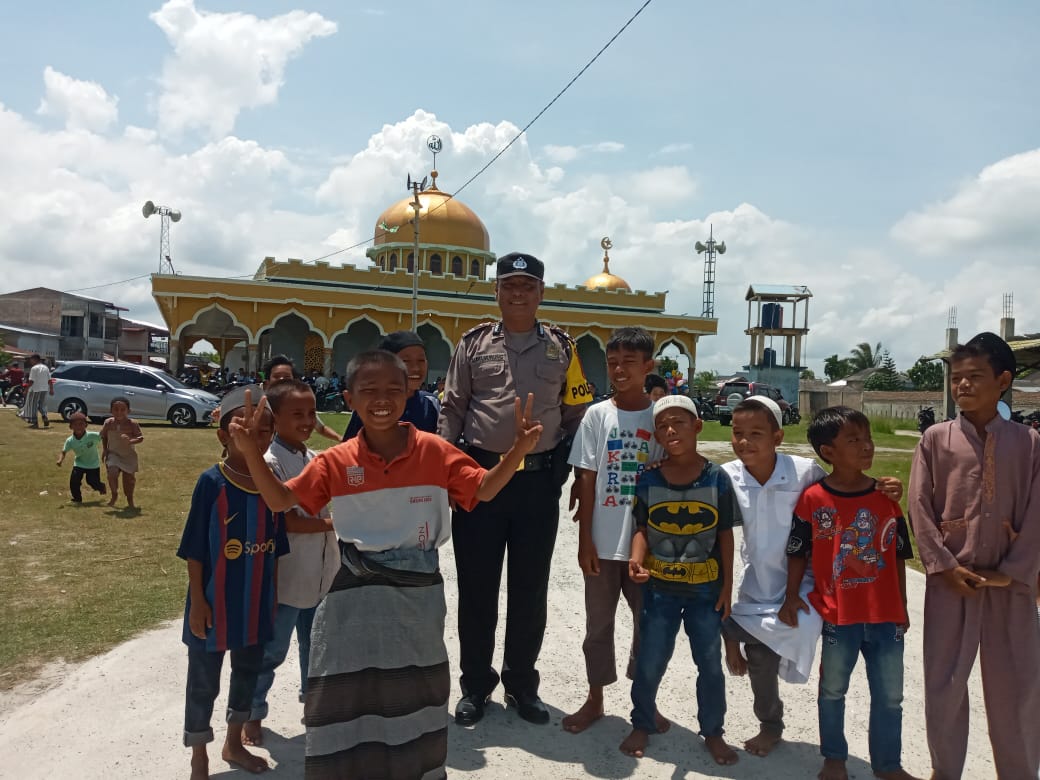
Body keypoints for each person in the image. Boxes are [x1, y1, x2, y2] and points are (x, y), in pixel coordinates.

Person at [229, 350, 543, 779]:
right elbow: (283, 500)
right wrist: (249, 452)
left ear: (410, 392)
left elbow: (483, 491)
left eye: (394, 390)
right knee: (346, 686)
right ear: (349, 399)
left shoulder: (435, 451)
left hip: (417, 594)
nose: (382, 399)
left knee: (417, 685)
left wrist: (518, 450)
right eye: (369, 391)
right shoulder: (336, 461)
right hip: (352, 591)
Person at [439, 252, 591, 726]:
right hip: (481, 480)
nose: (518, 293)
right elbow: (454, 410)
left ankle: (522, 684)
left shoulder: (563, 348)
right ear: (497, 292)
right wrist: (447, 470)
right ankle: (475, 686)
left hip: (536, 483)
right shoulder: (472, 344)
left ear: (541, 293)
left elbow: (577, 414)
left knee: (530, 589)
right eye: (510, 286)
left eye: (528, 286)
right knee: (477, 589)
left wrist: (559, 471)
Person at [721, 397, 906, 759]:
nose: (745, 442)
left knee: (802, 627)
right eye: (737, 434)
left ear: (777, 436)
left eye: (755, 433)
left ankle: (731, 632)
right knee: (761, 666)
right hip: (756, 582)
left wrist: (888, 489)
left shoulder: (805, 471)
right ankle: (770, 724)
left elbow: (845, 486)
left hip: (805, 583)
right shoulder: (727, 476)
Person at [908, 332, 1040, 780]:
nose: (962, 386)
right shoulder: (935, 439)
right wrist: (942, 566)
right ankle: (945, 771)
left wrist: (1014, 572)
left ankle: (1019, 772)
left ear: (1003, 381)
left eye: (974, 377)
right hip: (951, 583)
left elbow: (1039, 512)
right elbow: (919, 505)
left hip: (1010, 586)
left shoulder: (1029, 443)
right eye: (956, 378)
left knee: (1018, 687)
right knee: (943, 686)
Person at [781, 406, 918, 780]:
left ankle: (888, 766)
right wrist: (791, 596)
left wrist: (902, 607)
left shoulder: (886, 498)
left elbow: (899, 555)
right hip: (838, 616)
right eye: (853, 440)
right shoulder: (813, 499)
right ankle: (834, 758)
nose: (866, 446)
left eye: (868, 437)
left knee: (890, 697)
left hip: (885, 616)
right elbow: (797, 551)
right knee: (832, 691)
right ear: (828, 452)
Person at [619, 395, 739, 764]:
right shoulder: (649, 478)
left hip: (705, 590)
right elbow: (641, 528)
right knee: (651, 659)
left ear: (698, 426)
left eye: (679, 423)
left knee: (709, 663)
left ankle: (713, 731)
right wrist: (635, 562)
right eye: (662, 426)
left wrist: (727, 586)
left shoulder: (717, 478)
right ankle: (642, 721)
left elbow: (724, 535)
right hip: (659, 590)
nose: (670, 431)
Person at [177, 385, 288, 779]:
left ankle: (234, 742)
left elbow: (277, 547)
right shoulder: (211, 483)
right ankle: (199, 756)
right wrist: (199, 603)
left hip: (256, 603)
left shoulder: (271, 485)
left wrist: (272, 597)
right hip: (213, 604)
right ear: (224, 435)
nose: (256, 438)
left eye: (265, 430)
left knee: (246, 674)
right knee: (203, 683)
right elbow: (193, 550)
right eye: (245, 428)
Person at [562, 326, 665, 734]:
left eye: (629, 362)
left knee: (648, 626)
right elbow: (586, 478)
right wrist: (585, 539)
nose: (619, 370)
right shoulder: (597, 415)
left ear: (648, 367)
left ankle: (646, 702)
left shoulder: (660, 419)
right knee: (598, 625)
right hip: (603, 543)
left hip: (647, 546)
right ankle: (595, 698)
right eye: (612, 362)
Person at [242, 379, 339, 747]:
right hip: (286, 575)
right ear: (276, 418)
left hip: (320, 573)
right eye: (296, 414)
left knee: (316, 649)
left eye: (311, 413)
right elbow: (284, 519)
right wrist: (331, 524)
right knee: (272, 651)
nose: (305, 420)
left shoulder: (315, 459)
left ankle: (313, 706)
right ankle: (253, 713)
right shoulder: (269, 463)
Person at [342, 330, 440, 439]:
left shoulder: (432, 405)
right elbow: (351, 449)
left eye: (421, 360)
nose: (415, 368)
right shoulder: (371, 405)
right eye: (406, 361)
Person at [100, 398, 144, 510]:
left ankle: (130, 499)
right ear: (111, 410)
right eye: (116, 409)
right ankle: (114, 494)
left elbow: (140, 438)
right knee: (112, 473)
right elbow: (104, 436)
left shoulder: (132, 424)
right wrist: (105, 449)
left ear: (128, 411)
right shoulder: (108, 423)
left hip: (128, 455)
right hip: (113, 453)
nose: (119, 412)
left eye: (122, 409)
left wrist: (130, 441)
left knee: (129, 480)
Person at [56, 412, 107, 503]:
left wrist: (107, 449)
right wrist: (60, 460)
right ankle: (77, 499)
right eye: (75, 425)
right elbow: (64, 451)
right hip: (79, 463)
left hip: (93, 464)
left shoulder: (92, 436)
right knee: (74, 481)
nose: (78, 427)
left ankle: (101, 486)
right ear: (71, 427)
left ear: (86, 425)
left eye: (81, 424)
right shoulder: (70, 440)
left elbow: (103, 436)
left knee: (92, 482)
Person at [23, 354, 52, 428]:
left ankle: (35, 422)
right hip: (44, 389)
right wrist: (51, 389)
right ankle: (44, 417)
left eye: (31, 360)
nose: (30, 361)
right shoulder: (46, 368)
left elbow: (31, 381)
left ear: (35, 359)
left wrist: (26, 389)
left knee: (32, 405)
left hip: (35, 389)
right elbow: (50, 380)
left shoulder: (34, 368)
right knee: (41, 405)